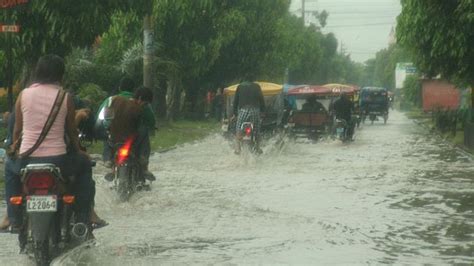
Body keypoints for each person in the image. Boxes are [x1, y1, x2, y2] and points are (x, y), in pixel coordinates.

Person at [11, 54, 97, 226]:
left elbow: (17, 130)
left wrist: (15, 148)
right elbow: (72, 131)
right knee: (85, 165)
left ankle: (11, 217)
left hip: (26, 160)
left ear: (37, 72)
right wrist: (79, 150)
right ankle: (84, 216)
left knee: (8, 167)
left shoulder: (23, 95)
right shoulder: (65, 97)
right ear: (61, 75)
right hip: (59, 161)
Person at [102, 86, 156, 182]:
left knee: (106, 133)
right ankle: (143, 162)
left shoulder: (114, 100)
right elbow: (139, 127)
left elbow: (106, 119)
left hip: (114, 140)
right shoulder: (137, 109)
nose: (145, 105)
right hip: (129, 141)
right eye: (145, 103)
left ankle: (108, 161)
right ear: (139, 98)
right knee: (144, 131)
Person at [232, 76, 265, 154]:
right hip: (255, 111)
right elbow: (261, 100)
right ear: (253, 80)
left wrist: (235, 114)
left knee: (239, 129)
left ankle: (238, 149)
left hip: (243, 111)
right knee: (256, 130)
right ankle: (257, 148)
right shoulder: (257, 86)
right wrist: (263, 111)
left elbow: (235, 102)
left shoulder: (239, 87)